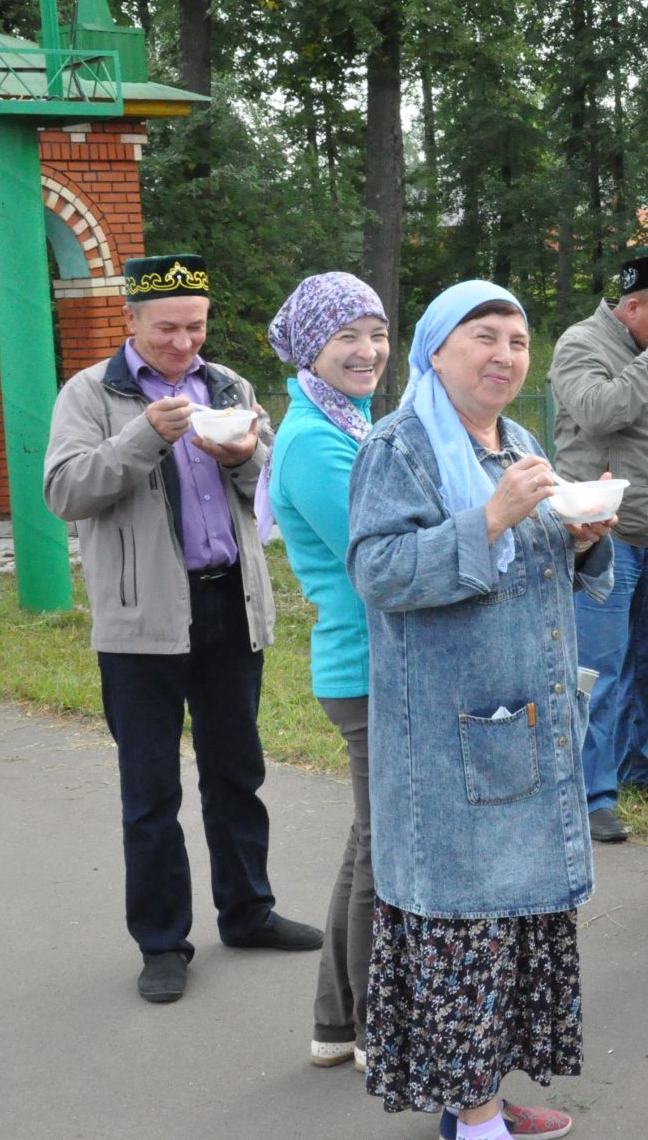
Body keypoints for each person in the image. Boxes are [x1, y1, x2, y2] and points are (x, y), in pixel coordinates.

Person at [348, 280, 613, 1140]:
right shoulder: (400, 447)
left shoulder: (519, 440)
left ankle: (489, 1098)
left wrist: (581, 537)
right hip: (448, 744)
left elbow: (540, 565)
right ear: (435, 349)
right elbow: (379, 572)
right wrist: (492, 518)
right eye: (484, 337)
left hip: (525, 731)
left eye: (518, 339)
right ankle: (473, 1119)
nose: (505, 354)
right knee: (466, 933)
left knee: (513, 931)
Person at [43, 254, 321, 1004]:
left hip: (229, 602)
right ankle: (163, 942)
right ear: (131, 320)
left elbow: (269, 493)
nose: (182, 342)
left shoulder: (227, 384)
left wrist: (244, 456)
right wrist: (142, 437)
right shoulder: (92, 393)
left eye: (194, 326)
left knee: (237, 771)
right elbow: (64, 491)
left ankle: (249, 909)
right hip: (140, 622)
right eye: (166, 327)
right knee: (150, 789)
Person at [255, 272, 391, 1069]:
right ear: (313, 346)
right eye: (348, 336)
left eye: (375, 332)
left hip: (370, 664)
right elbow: (383, 553)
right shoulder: (314, 439)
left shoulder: (349, 421)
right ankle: (379, 1026)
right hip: (365, 667)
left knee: (367, 844)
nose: (368, 350)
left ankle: (337, 1024)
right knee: (386, 852)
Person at [548, 250, 648, 846]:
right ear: (632, 307)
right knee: (599, 670)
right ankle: (592, 793)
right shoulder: (580, 344)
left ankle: (637, 767)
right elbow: (598, 413)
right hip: (601, 534)